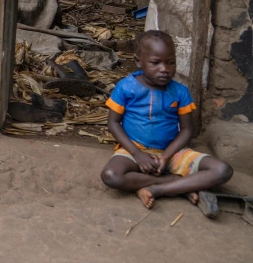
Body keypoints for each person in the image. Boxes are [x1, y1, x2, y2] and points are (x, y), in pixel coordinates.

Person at [99, 30, 233, 217]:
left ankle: (157, 189)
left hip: (173, 153)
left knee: (222, 170)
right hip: (134, 150)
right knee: (111, 176)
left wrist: (166, 156)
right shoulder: (126, 87)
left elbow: (187, 130)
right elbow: (113, 124)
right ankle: (178, 184)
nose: (165, 68)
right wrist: (137, 154)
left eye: (171, 62)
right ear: (139, 61)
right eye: (156, 63)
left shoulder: (180, 92)